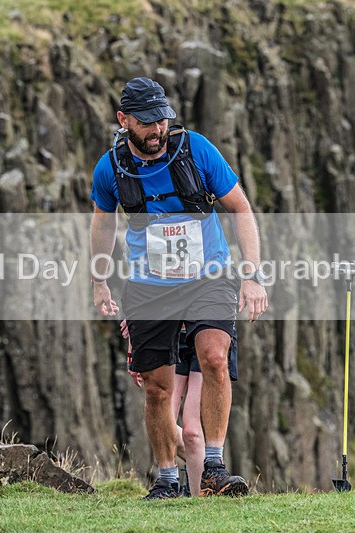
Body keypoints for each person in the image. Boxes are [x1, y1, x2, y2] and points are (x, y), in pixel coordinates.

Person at [90, 77, 267, 499]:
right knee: (156, 387)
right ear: (124, 120)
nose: (157, 131)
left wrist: (252, 274)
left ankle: (213, 466)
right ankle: (167, 480)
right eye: (147, 123)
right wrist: (99, 280)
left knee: (214, 357)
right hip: (149, 285)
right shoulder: (110, 168)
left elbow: (241, 207)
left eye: (162, 121)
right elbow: (103, 225)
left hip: (209, 275)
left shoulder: (196, 149)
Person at [122, 321, 239, 497]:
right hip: (171, 333)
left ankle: (201, 495)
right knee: (160, 418)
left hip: (203, 329)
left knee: (192, 433)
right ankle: (187, 482)